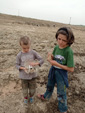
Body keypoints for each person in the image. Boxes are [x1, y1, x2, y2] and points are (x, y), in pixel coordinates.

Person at [38, 27, 75, 113]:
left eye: (64, 40)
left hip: (61, 74)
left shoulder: (69, 51)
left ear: (69, 40)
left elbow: (71, 69)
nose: (60, 42)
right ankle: (46, 96)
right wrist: (50, 57)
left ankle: (63, 109)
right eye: (59, 39)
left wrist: (56, 64)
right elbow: (54, 58)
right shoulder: (56, 47)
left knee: (61, 92)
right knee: (49, 84)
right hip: (53, 70)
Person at [16, 36, 44, 105]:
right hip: (24, 76)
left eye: (28, 48)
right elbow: (17, 65)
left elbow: (42, 60)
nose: (26, 50)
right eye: (24, 48)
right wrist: (23, 68)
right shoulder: (19, 55)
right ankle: (25, 98)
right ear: (20, 45)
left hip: (32, 76)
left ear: (30, 45)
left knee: (32, 88)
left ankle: (31, 96)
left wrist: (36, 63)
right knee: (24, 89)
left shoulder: (33, 52)